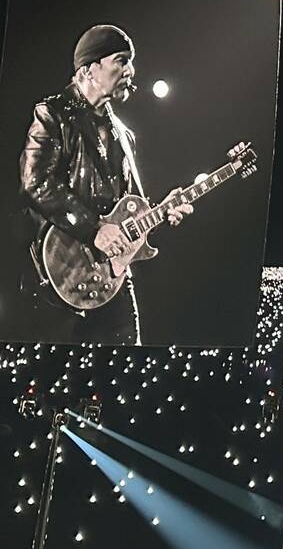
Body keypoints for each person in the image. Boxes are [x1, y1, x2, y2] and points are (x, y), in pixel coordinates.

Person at [16, 24, 192, 345]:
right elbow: (35, 182)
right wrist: (92, 229)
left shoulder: (125, 135)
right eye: (121, 60)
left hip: (110, 281)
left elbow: (127, 211)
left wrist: (162, 212)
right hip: (58, 275)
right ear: (89, 69)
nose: (131, 70)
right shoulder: (53, 114)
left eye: (131, 62)